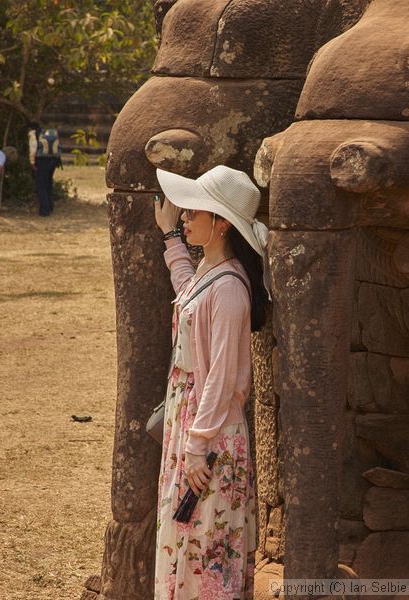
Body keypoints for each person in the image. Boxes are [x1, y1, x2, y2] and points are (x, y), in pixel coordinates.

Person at [152, 164, 270, 600]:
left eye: (191, 212)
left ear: (221, 222)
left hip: (211, 431)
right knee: (187, 537)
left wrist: (198, 444)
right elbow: (187, 292)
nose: (184, 217)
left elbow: (221, 374)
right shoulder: (210, 271)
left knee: (204, 542)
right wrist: (170, 237)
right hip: (194, 422)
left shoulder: (230, 289)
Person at [28, 123, 62, 216]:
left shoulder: (33, 134)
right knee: (48, 184)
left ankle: (44, 210)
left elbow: (33, 149)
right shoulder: (47, 133)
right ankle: (50, 207)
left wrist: (32, 162)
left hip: (42, 161)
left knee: (41, 185)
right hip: (53, 160)